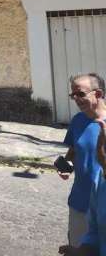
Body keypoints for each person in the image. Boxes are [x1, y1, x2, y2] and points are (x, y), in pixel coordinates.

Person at [59, 73, 106, 253]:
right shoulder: (78, 121)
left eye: (80, 94)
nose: (76, 99)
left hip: (103, 206)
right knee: (78, 250)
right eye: (73, 95)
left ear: (98, 94)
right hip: (79, 203)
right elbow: (74, 148)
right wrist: (66, 165)